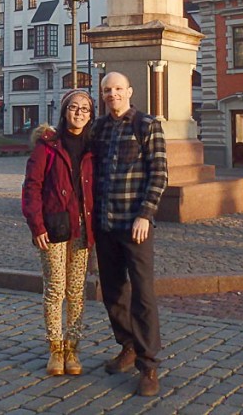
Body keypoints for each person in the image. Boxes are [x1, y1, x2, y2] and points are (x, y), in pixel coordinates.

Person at [91, 71, 167, 397]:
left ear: (129, 91)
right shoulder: (99, 128)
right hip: (105, 225)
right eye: (107, 90)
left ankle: (148, 365)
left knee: (143, 294)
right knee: (112, 291)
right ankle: (128, 345)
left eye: (118, 89)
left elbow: (159, 174)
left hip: (134, 225)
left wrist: (146, 215)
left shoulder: (146, 125)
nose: (113, 94)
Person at [21, 89, 96, 377]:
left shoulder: (93, 147)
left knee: (76, 291)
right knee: (55, 289)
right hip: (54, 225)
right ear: (65, 111)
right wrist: (36, 225)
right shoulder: (48, 145)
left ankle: (72, 348)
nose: (79, 113)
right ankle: (55, 348)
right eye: (74, 108)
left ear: (91, 115)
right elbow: (32, 187)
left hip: (82, 226)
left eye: (85, 109)